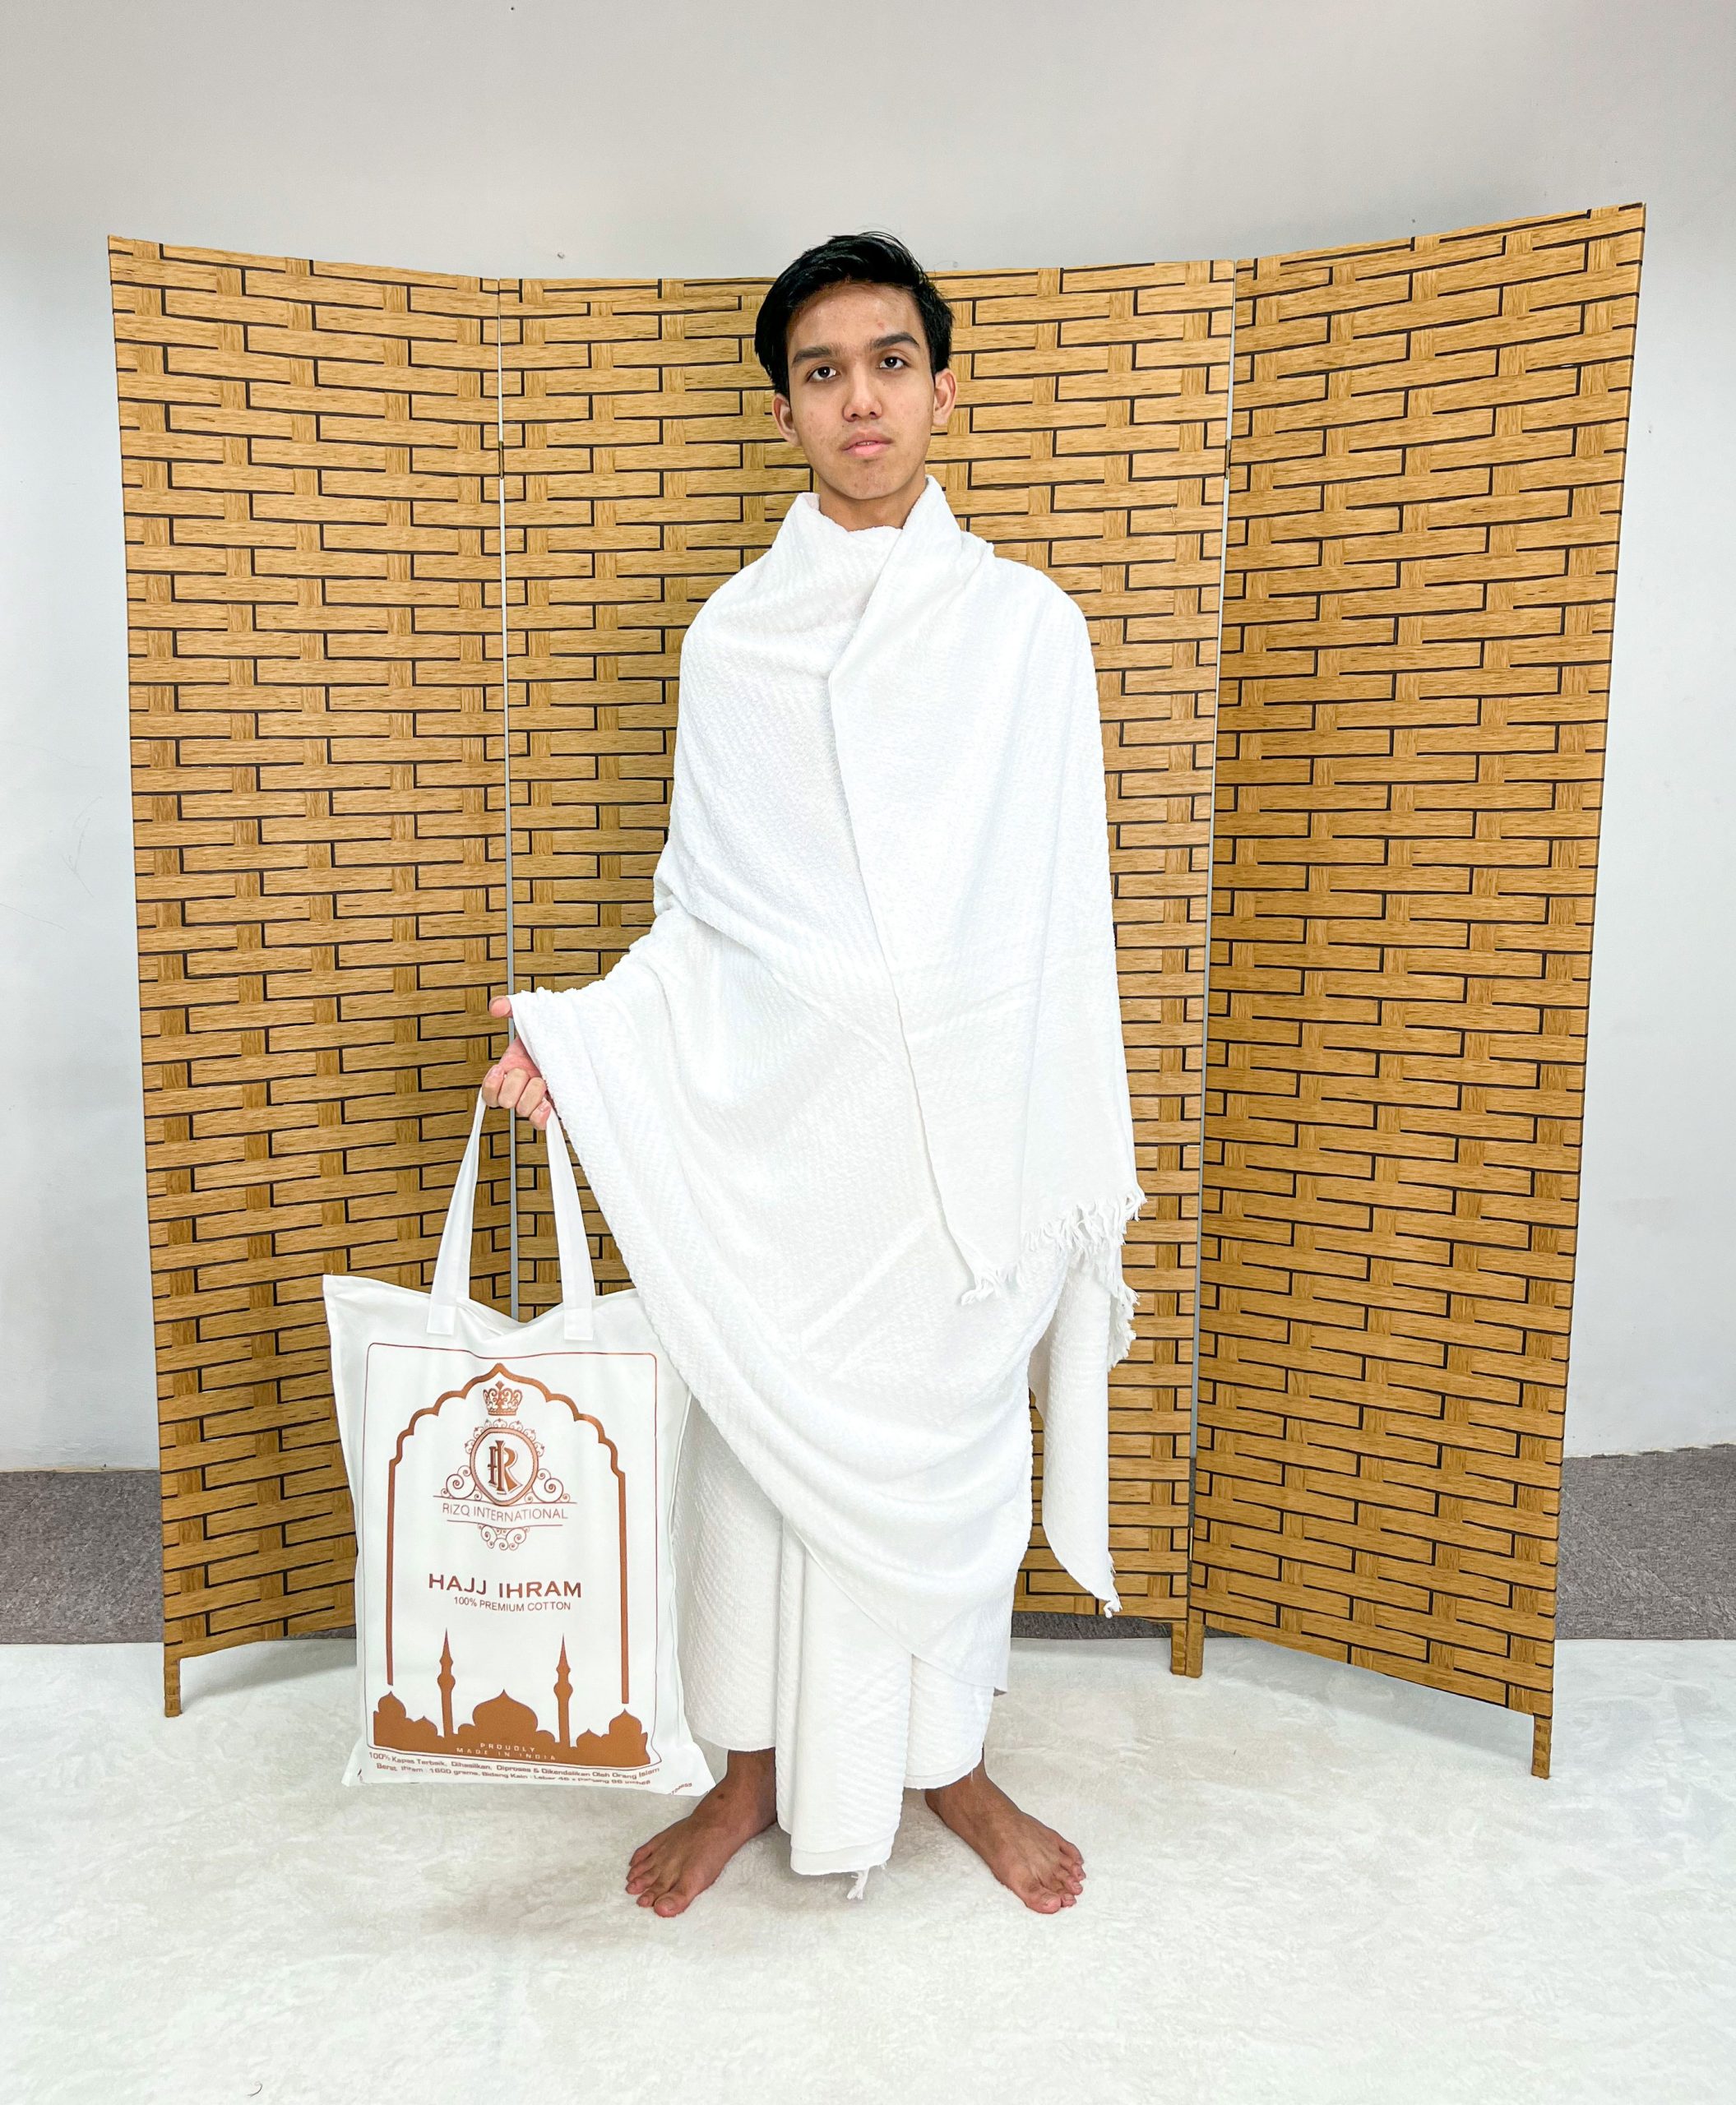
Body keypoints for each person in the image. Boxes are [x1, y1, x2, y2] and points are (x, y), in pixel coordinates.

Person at [482, 232, 1142, 1916]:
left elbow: (1055, 910)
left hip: (952, 1139)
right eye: (823, 371)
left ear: (942, 387)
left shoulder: (1027, 633)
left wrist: (1029, 1107)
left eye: (891, 361)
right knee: (755, 1451)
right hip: (787, 1133)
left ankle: (952, 1762)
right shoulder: (734, 642)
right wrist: (582, 1041)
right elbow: (708, 912)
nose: (862, 398)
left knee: (950, 1438)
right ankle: (750, 1772)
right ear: (783, 409)